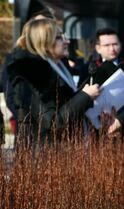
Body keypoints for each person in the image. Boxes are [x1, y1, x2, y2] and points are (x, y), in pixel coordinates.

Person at [6, 18, 100, 146]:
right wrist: (85, 96)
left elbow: (68, 108)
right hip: (45, 158)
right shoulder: (34, 75)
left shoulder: (57, 68)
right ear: (44, 43)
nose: (67, 41)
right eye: (59, 37)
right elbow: (52, 122)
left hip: (62, 153)